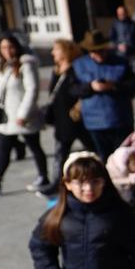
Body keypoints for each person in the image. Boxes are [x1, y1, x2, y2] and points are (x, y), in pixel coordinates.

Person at [0, 35, 50, 194]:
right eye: (3, 47)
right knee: (4, 148)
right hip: (5, 116)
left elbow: (32, 90)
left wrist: (23, 113)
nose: (7, 51)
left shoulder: (26, 64)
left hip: (23, 116)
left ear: (17, 47)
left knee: (34, 146)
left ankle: (43, 177)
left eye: (10, 47)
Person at [71, 29, 135, 158]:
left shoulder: (121, 62)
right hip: (94, 122)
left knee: (123, 158)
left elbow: (133, 87)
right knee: (103, 158)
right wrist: (91, 86)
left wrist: (113, 86)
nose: (99, 54)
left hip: (120, 120)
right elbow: (72, 89)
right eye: (95, 51)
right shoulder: (79, 65)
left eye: (101, 50)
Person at [39, 39, 93, 196]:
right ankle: (58, 182)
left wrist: (79, 105)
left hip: (76, 117)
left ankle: (102, 173)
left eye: (56, 49)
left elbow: (83, 90)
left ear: (66, 51)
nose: (52, 53)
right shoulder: (57, 70)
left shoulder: (77, 69)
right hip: (61, 117)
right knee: (60, 152)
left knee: (91, 147)